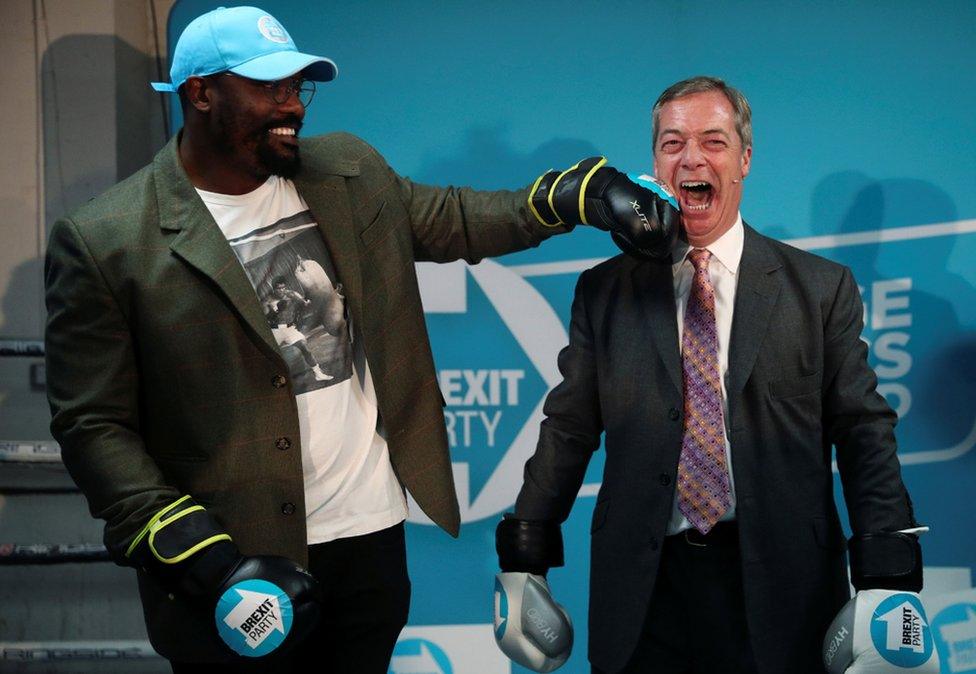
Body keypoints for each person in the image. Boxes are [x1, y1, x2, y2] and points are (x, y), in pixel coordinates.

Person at [43, 5, 673, 672]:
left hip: (368, 542)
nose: (294, 106)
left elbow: (460, 219)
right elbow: (94, 426)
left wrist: (577, 193)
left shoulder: (347, 170)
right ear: (201, 93)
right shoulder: (106, 239)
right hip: (236, 566)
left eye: (298, 87)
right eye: (270, 88)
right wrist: (200, 559)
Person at [496, 76, 925, 674]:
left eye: (713, 141)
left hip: (783, 591)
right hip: (646, 596)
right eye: (673, 143)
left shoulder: (821, 289)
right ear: (655, 163)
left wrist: (888, 574)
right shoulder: (604, 291)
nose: (692, 157)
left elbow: (862, 430)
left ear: (744, 159)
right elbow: (569, 425)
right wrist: (524, 557)